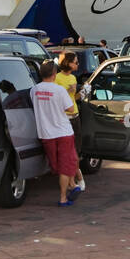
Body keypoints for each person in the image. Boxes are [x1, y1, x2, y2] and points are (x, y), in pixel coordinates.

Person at [31, 60, 81, 206]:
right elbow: (71, 109)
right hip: (63, 131)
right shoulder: (59, 90)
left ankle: (73, 185)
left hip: (46, 134)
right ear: (54, 74)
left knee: (57, 165)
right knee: (66, 165)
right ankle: (63, 197)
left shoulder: (34, 90)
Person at [54, 51, 86, 193]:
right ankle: (74, 179)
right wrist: (68, 90)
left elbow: (74, 98)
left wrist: (84, 92)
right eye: (76, 62)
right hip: (64, 117)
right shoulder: (57, 78)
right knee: (67, 150)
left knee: (77, 149)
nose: (78, 64)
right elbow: (56, 97)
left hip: (75, 115)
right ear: (68, 63)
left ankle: (74, 178)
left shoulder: (73, 77)